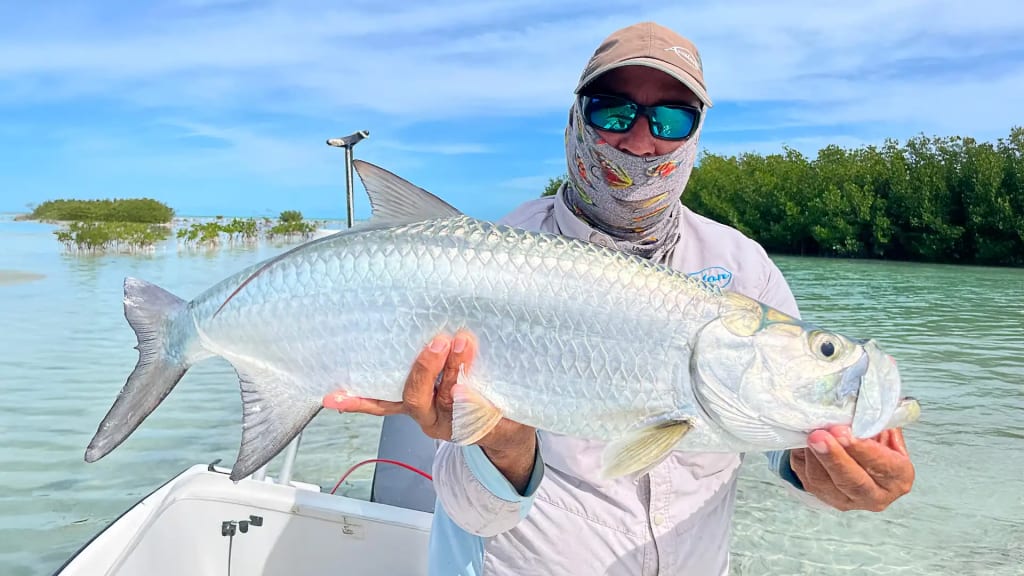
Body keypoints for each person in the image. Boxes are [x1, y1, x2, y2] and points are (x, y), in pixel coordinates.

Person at [324, 21, 916, 575]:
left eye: (670, 120)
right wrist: (503, 444)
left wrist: (821, 466)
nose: (639, 140)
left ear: (697, 134)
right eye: (613, 110)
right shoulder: (488, 261)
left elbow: (766, 428)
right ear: (576, 118)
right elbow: (473, 513)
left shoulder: (741, 267)